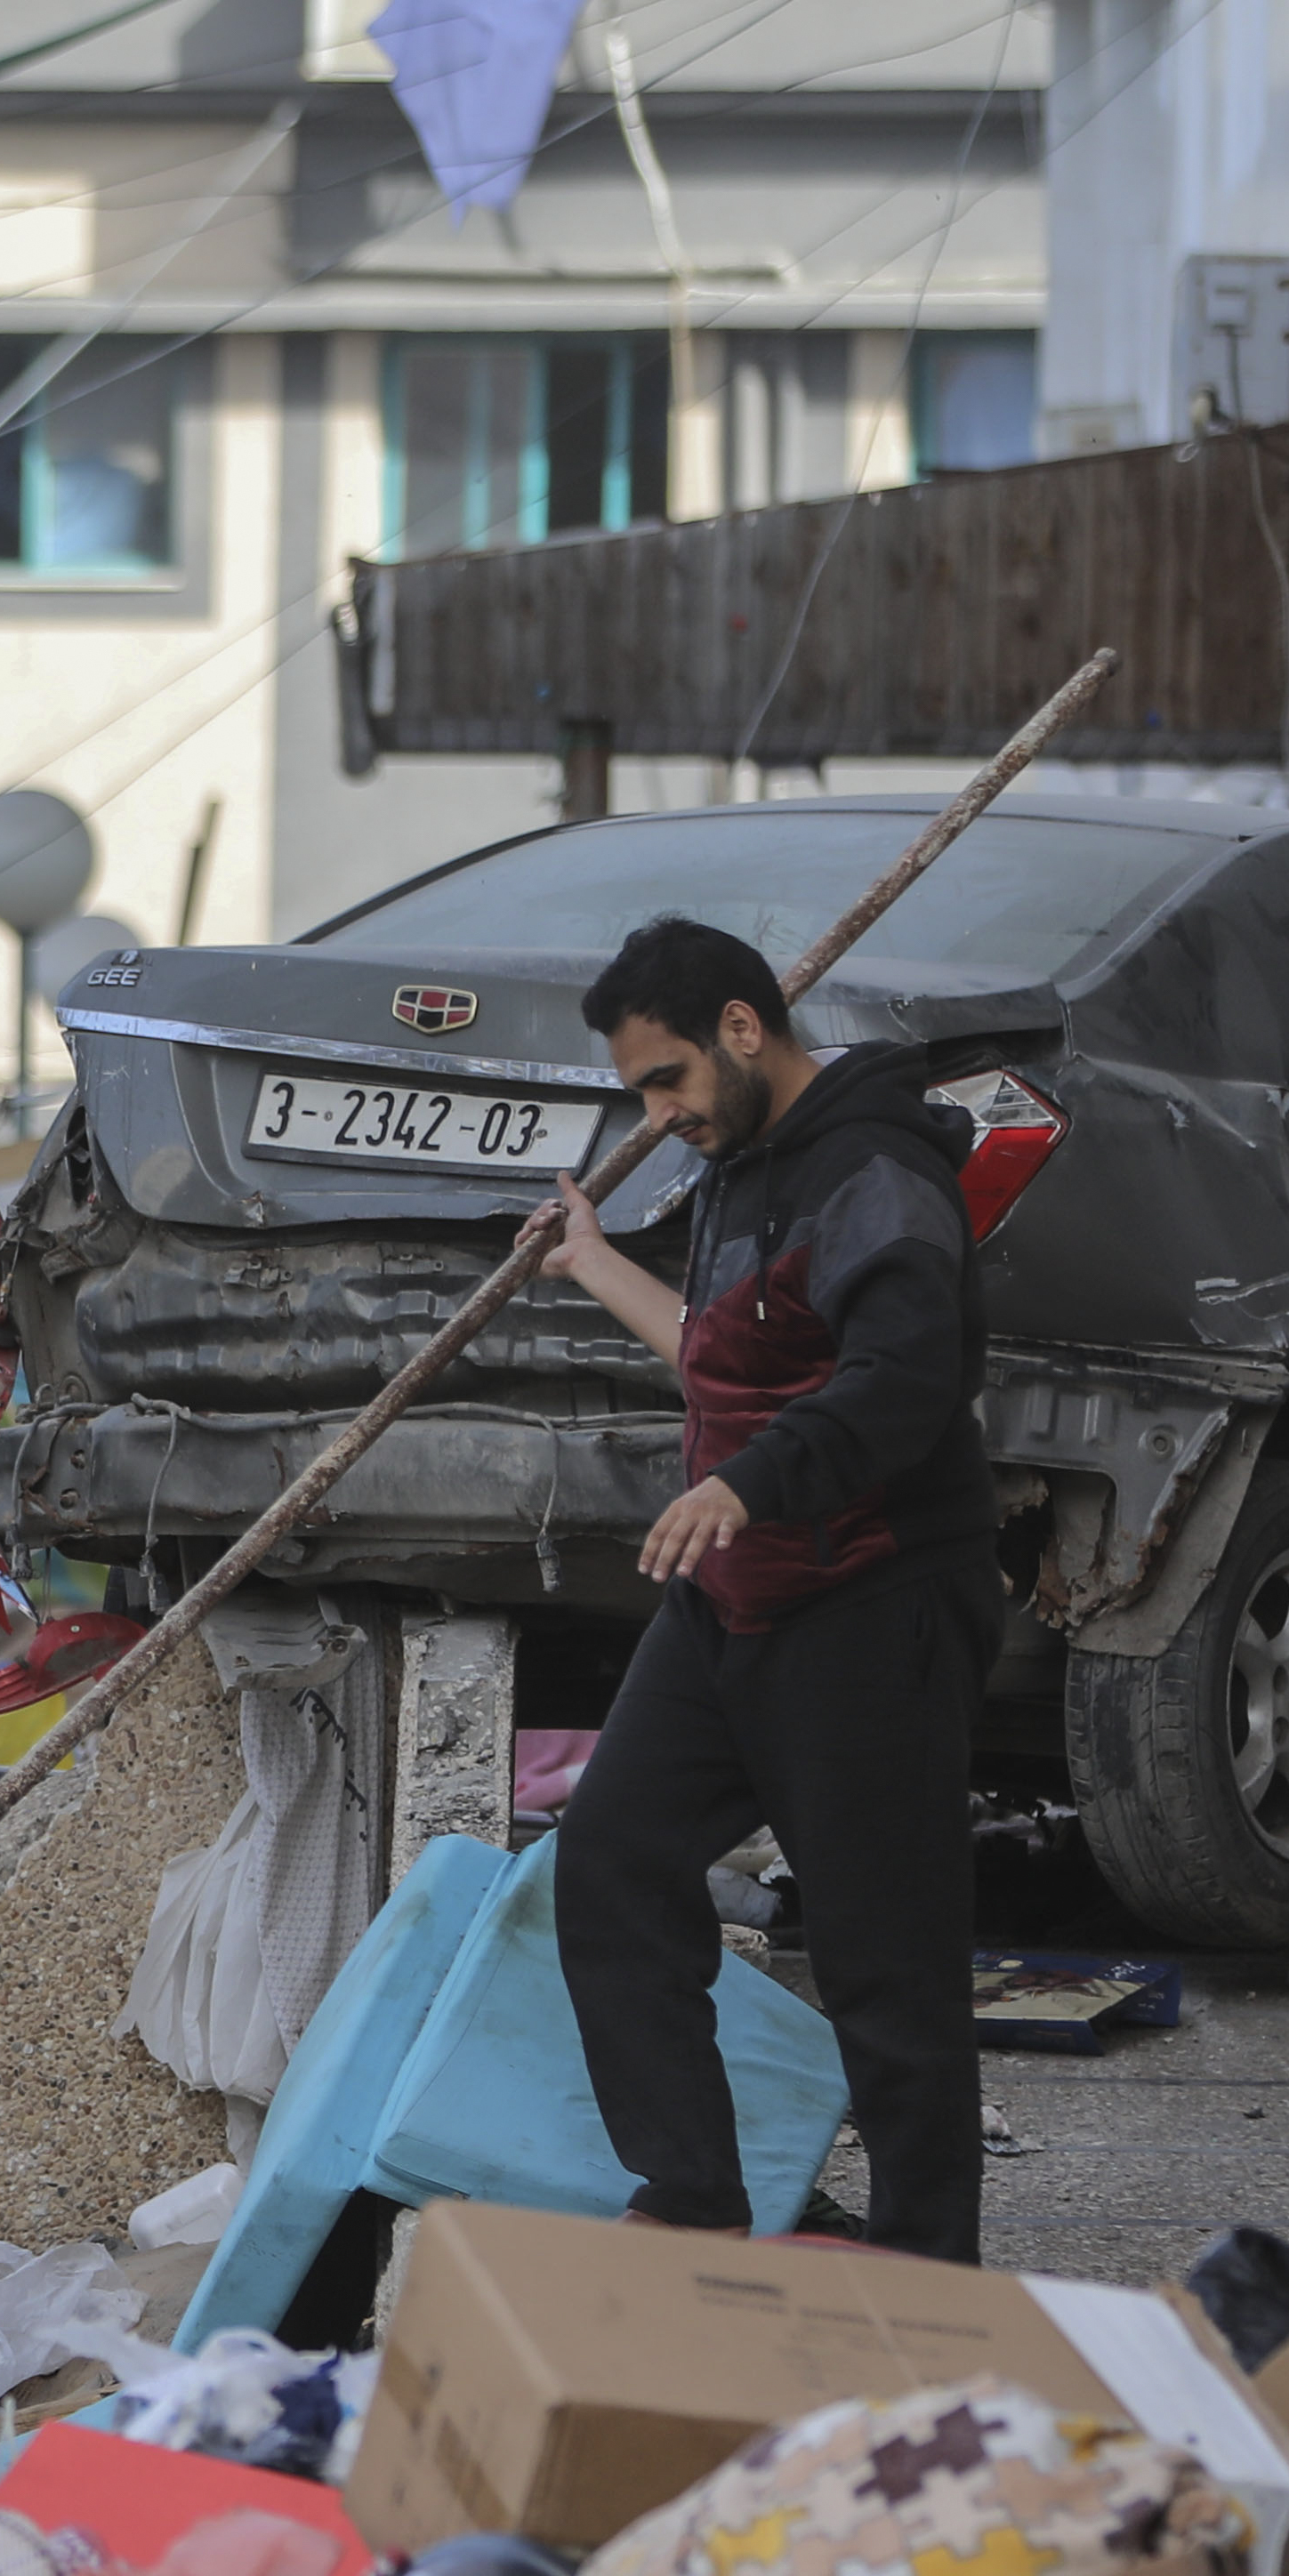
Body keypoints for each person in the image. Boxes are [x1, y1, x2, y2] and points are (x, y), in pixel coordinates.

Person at [519, 914, 998, 2258]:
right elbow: (726, 1354)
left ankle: (927, 2273)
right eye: (638, 1094)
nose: (658, 1113)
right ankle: (691, 2200)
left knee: (883, 1966)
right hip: (731, 1597)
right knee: (609, 1861)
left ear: (744, 1026)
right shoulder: (736, 1160)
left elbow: (902, 1378)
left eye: (666, 1078)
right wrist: (594, 1254)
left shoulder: (873, 1170)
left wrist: (749, 1482)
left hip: (874, 1596)